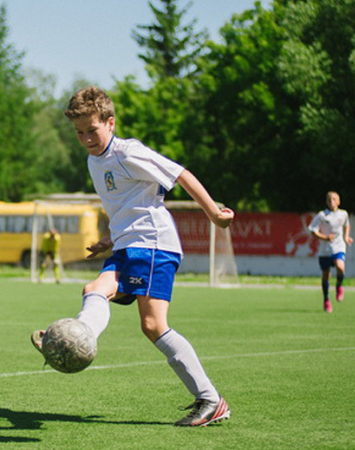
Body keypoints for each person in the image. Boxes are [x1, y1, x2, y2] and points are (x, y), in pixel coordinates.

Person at [31, 86, 234, 427]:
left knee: (153, 325)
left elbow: (180, 174)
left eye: (92, 130)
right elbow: (128, 206)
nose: (86, 139)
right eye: (79, 133)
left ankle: (211, 400)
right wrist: (111, 239)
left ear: (110, 123)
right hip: (128, 245)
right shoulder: (93, 161)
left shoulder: (128, 152)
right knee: (94, 289)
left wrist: (213, 214)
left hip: (154, 243)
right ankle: (77, 338)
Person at [307, 191, 353, 313]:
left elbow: (346, 225)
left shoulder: (343, 214)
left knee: (340, 266)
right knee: (325, 276)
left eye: (333, 199)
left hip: (339, 247)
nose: (331, 202)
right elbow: (312, 230)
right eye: (328, 199)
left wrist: (347, 237)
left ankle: (339, 286)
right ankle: (326, 299)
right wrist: (324, 238)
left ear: (338, 201)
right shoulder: (322, 215)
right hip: (325, 251)